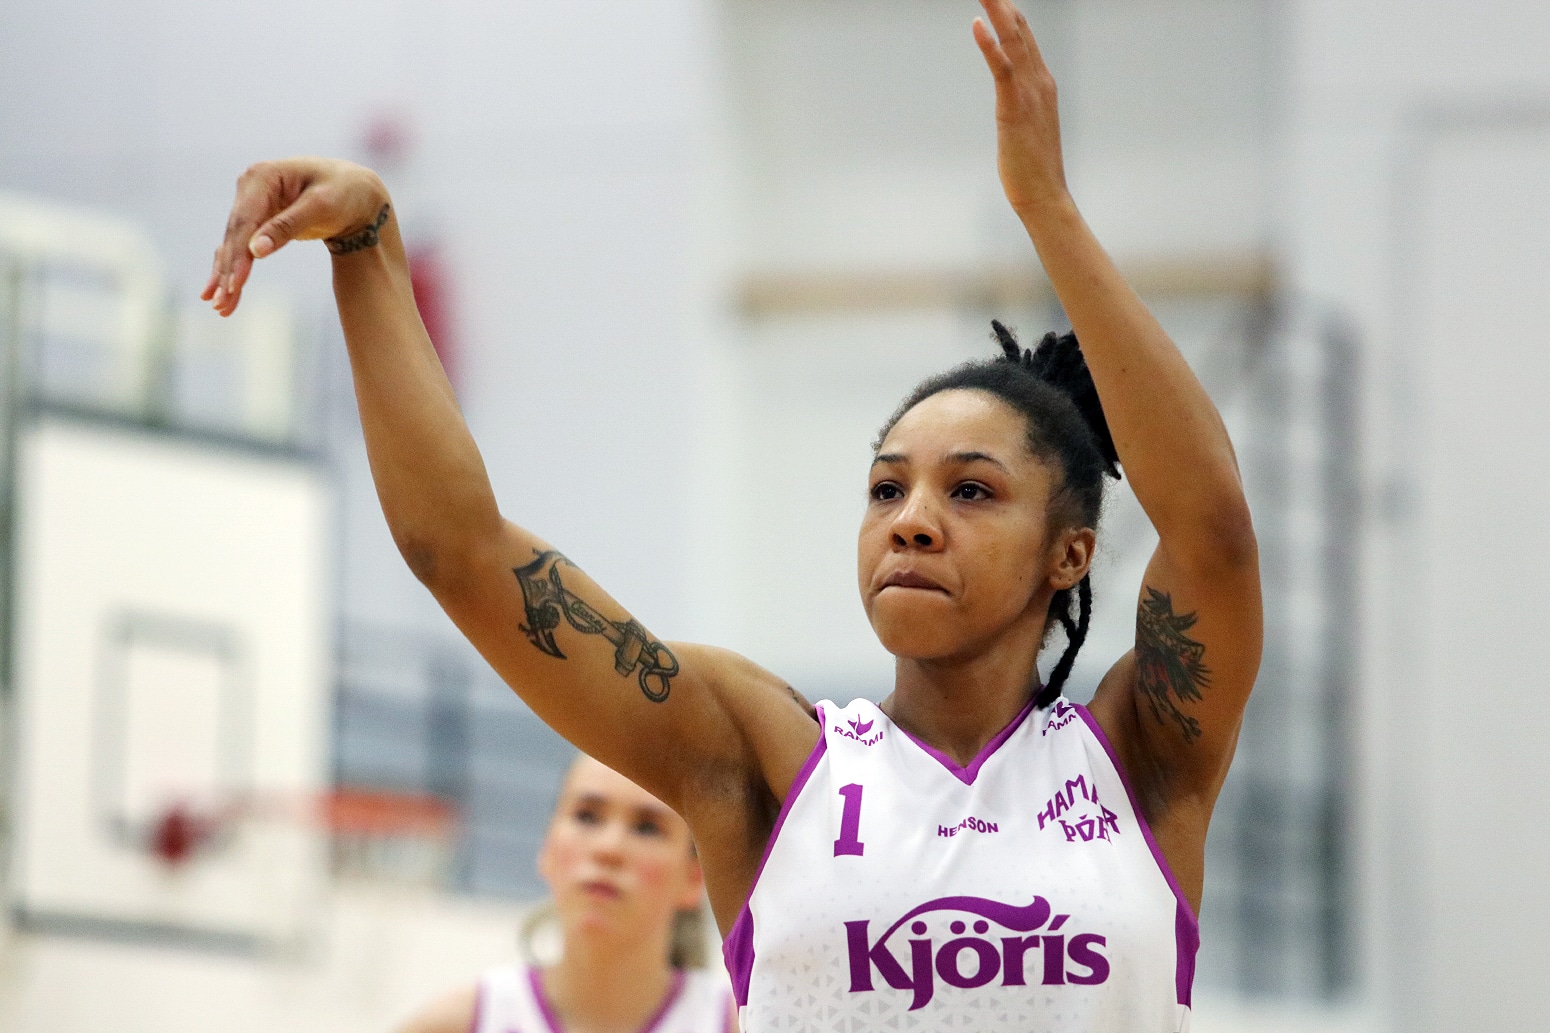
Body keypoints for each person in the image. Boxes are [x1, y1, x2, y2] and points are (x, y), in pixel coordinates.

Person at [204, 1, 1260, 1028]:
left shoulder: (1140, 759)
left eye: (970, 489)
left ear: (1069, 554)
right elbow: (461, 551)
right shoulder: (766, 759)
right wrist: (368, 244)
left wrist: (1047, 211)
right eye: (886, 488)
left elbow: (1210, 528)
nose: (911, 519)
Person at [399, 754, 735, 1033]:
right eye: (586, 816)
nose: (609, 847)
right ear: (547, 848)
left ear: (694, 879)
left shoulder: (740, 1024)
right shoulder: (456, 1023)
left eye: (647, 827)